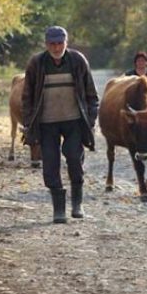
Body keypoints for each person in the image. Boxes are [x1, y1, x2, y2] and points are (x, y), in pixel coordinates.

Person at [22, 26, 99, 224]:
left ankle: (77, 203)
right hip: (46, 123)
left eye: (60, 43)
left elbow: (91, 95)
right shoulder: (37, 63)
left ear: (66, 42)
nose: (56, 48)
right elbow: (27, 96)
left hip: (73, 120)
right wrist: (29, 122)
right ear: (46, 44)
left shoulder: (78, 61)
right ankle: (59, 210)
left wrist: (90, 120)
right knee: (50, 164)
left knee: (74, 156)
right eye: (52, 44)